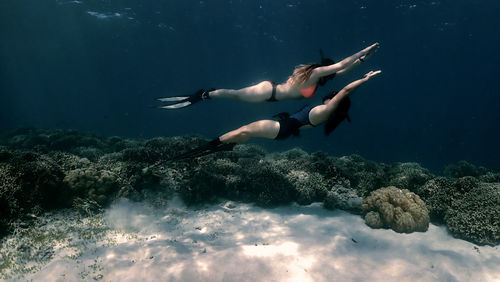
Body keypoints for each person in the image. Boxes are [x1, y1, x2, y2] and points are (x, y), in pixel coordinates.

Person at [173, 70, 382, 160]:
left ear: (336, 102)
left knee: (244, 129)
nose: (330, 96)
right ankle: (225, 146)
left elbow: (345, 91)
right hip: (282, 125)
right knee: (245, 132)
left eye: (332, 96)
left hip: (282, 128)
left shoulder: (327, 111)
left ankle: (203, 149)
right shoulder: (325, 113)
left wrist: (365, 79)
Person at [159, 43, 380, 109]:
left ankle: (204, 94)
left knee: (235, 95)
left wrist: (363, 61)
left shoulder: (315, 76)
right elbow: (341, 65)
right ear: (324, 68)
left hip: (271, 89)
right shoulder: (315, 73)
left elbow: (342, 70)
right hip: (268, 93)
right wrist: (364, 50)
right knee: (234, 95)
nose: (331, 73)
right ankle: (201, 95)